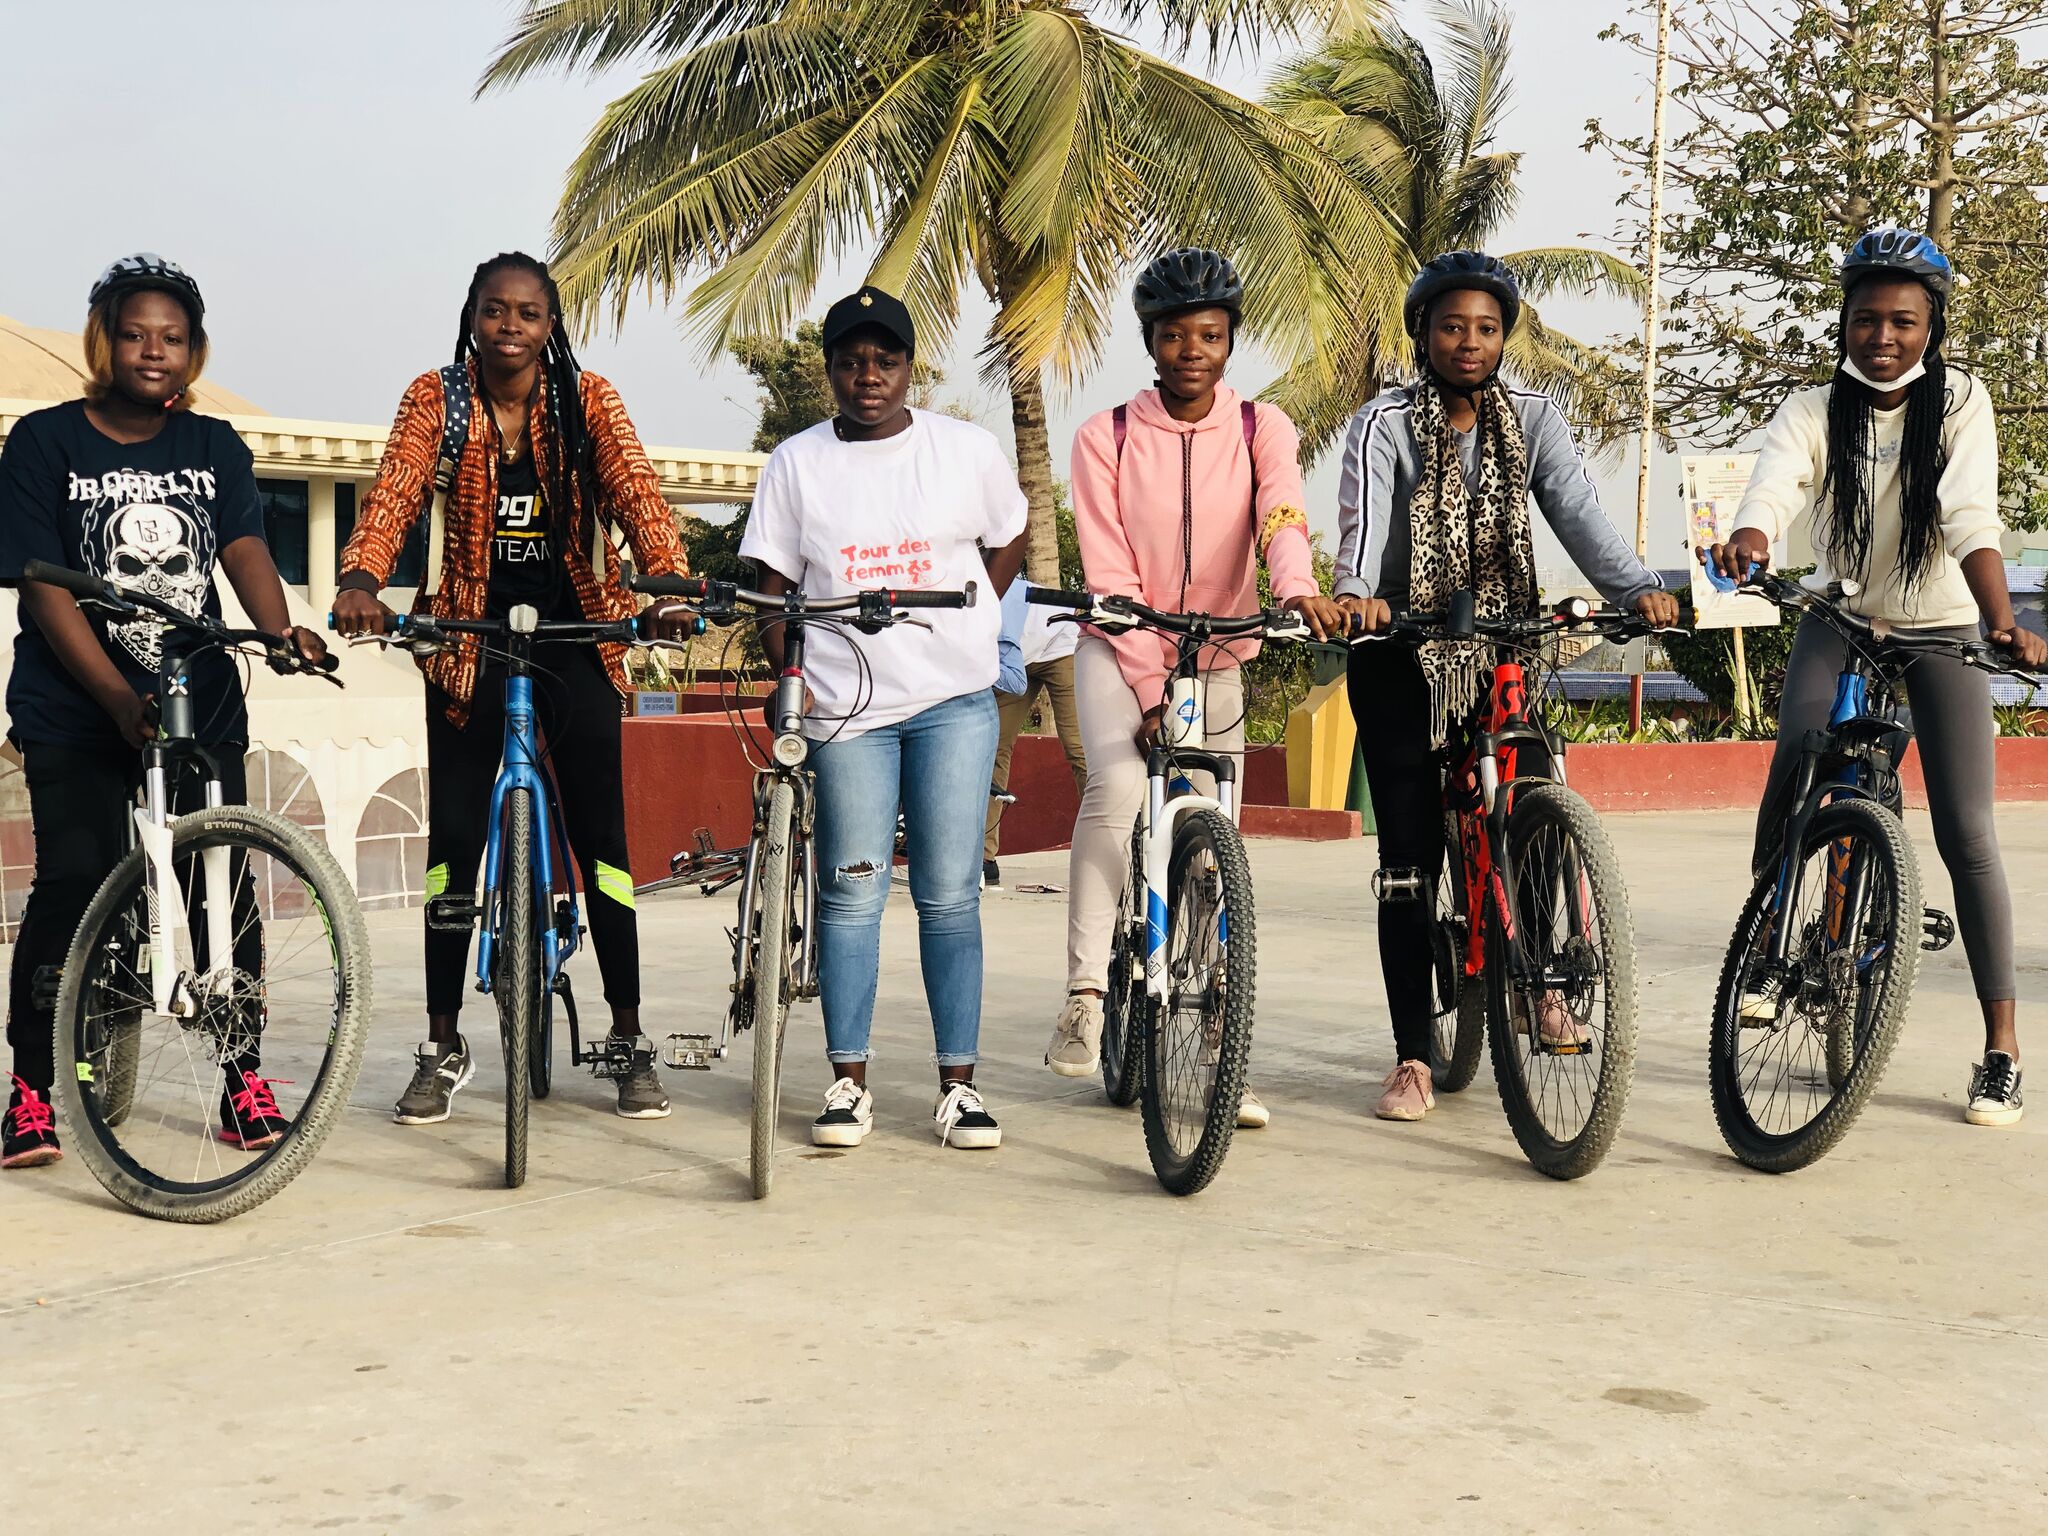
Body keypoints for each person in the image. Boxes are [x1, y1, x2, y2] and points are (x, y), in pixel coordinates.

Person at [331, 252, 688, 1125]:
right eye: (495, 311)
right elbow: (397, 490)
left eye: (528, 314)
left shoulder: (588, 399)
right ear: (473, 316)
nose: (510, 328)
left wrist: (670, 581)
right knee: (452, 842)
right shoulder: (438, 398)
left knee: (604, 843)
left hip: (578, 637)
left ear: (550, 325)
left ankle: (630, 1038)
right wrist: (362, 579)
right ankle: (442, 1042)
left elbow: (637, 491)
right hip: (467, 641)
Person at [1709, 227, 2048, 1128]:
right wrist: (1752, 536)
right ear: (1845, 322)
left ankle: (2002, 1049)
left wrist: (2003, 620)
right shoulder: (1816, 409)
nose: (1883, 337)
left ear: (1932, 322)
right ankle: (1775, 946)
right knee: (1797, 751)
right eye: (1866, 319)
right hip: (1842, 616)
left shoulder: (1964, 401)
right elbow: (1775, 486)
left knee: (1969, 830)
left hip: (1941, 624)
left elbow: (1969, 515)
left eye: (1903, 319)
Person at [1334, 250, 1678, 1124]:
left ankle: (1542, 985)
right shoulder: (1385, 423)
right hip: (1401, 644)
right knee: (1408, 858)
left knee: (1534, 801)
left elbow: (1579, 512)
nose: (1470, 343)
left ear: (1505, 336)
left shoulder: (1534, 419)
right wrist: (1355, 597)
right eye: (1452, 326)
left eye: (1487, 328)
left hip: (1500, 638)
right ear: (1423, 332)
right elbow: (1366, 522)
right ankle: (1415, 1052)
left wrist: (1635, 588)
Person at [0, 254, 326, 1169]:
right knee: (74, 881)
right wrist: (112, 695)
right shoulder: (44, 442)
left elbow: (245, 544)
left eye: (173, 338)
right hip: (75, 704)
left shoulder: (214, 446)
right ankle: (30, 1092)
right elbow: (40, 587)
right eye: (137, 334)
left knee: (221, 885)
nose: (154, 351)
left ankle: (241, 1079)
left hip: (200, 698)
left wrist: (280, 630)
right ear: (105, 340)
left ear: (194, 351)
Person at [1049, 248, 1348, 1131]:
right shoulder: (1104, 436)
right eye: (1174, 335)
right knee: (1112, 788)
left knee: (1214, 846)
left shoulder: (1265, 430)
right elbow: (1107, 564)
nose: (1192, 350)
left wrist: (1295, 591)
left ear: (1231, 339)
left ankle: (1222, 1044)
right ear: (1149, 341)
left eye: (1209, 335)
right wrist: (1146, 684)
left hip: (1218, 653)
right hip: (1119, 649)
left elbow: (1283, 519)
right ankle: (1084, 996)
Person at [738, 286, 1027, 1150]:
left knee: (948, 897)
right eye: (851, 362)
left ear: (910, 368)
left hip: (952, 705)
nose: (869, 377)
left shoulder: (964, 451)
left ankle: (959, 1088)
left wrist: (976, 610)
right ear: (830, 370)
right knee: (852, 892)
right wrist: (788, 666)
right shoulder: (798, 463)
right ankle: (848, 1083)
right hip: (849, 708)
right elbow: (767, 580)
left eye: (886, 360)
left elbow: (1009, 534)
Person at [985, 574, 1086, 890]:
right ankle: (984, 858)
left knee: (1079, 747)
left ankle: (1115, 846)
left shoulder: (994, 588)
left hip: (1060, 642)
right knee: (992, 747)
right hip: (1017, 656)